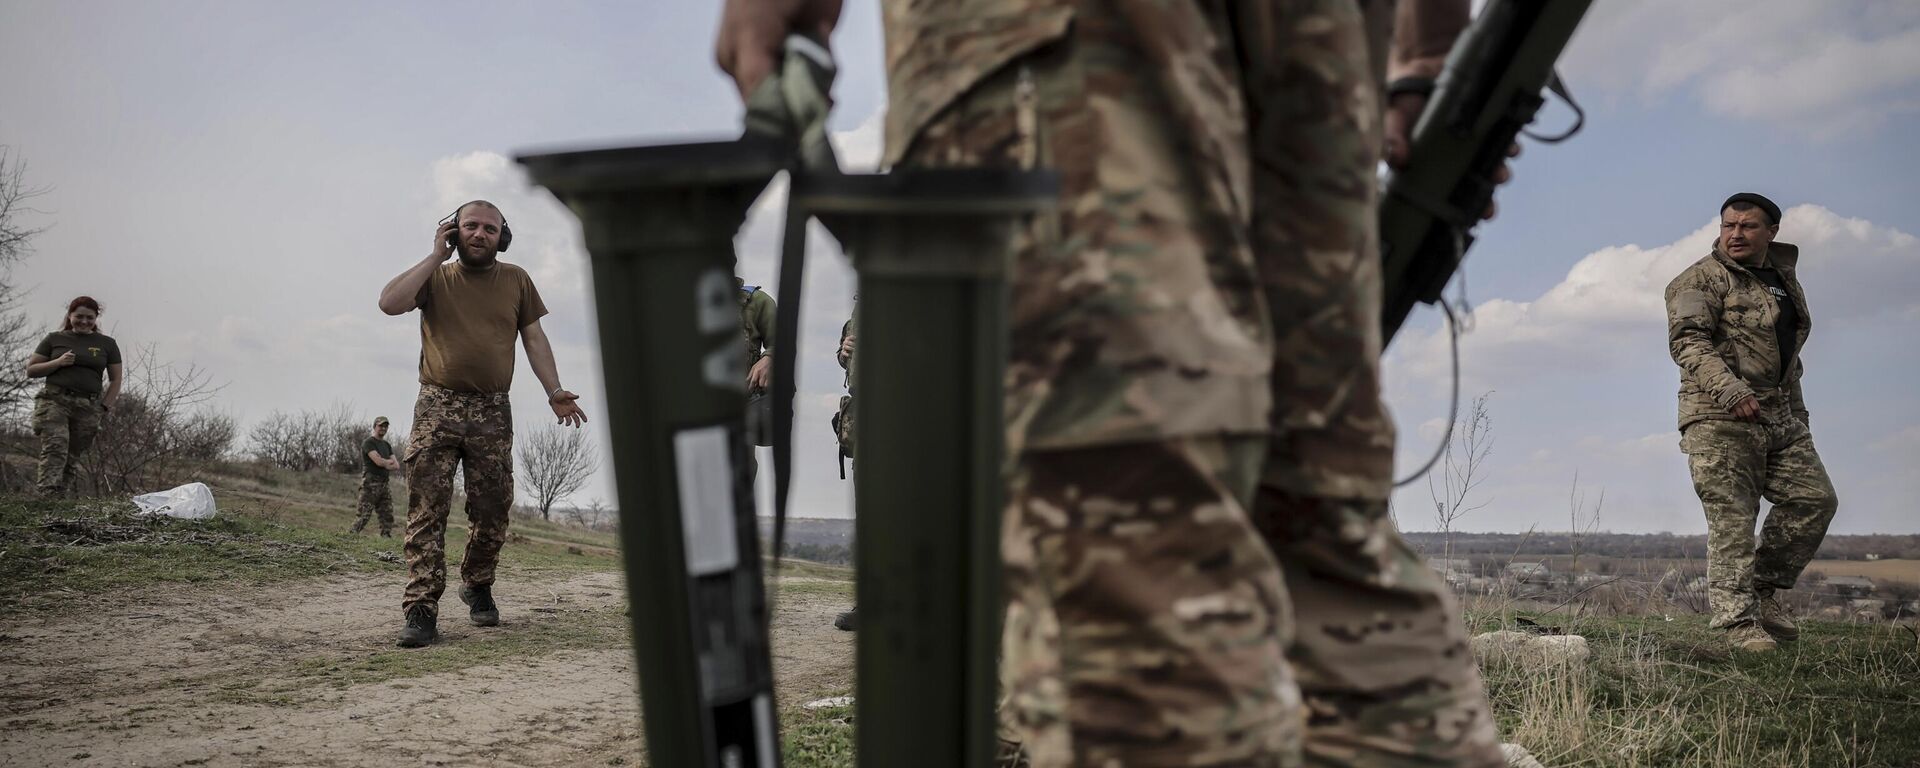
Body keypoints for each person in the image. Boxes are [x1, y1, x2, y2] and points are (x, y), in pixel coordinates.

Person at [716, 1, 1512, 765]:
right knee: (1316, 531)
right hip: (1321, 38)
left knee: (1118, 543)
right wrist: (1431, 45)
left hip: (1059, 34)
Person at [378, 200, 589, 648]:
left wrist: (554, 391)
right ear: (453, 230)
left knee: (493, 508)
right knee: (426, 510)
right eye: (470, 226)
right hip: (437, 406)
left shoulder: (516, 280)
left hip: (493, 410)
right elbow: (389, 304)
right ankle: (421, 608)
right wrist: (435, 255)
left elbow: (534, 338)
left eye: (490, 229)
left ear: (502, 237)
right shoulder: (435, 277)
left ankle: (477, 583)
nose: (479, 234)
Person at [1664, 192, 1837, 653]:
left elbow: (1789, 360)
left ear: (1771, 232)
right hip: (1718, 416)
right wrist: (1731, 391)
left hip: (1780, 417)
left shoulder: (1783, 280)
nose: (1736, 234)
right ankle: (1737, 624)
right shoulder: (1700, 279)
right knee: (1733, 521)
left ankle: (1761, 591)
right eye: (1728, 225)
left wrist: (1798, 417)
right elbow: (1688, 342)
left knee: (1814, 499)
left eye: (1748, 226)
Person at [24, 296, 122, 497]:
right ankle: (47, 494)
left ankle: (60, 496)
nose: (84, 321)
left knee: (73, 453)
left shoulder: (107, 344)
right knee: (56, 445)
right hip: (54, 401)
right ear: (70, 316)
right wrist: (58, 362)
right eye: (79, 316)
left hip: (88, 406)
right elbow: (31, 370)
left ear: (96, 318)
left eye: (89, 318)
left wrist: (104, 406)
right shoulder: (55, 339)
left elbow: (116, 379)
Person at [351, 416, 402, 537]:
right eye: (381, 426)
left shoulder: (386, 445)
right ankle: (351, 535)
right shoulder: (369, 443)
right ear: (375, 427)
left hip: (384, 483)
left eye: (386, 426)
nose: (383, 428)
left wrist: (385, 462)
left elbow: (396, 465)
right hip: (370, 483)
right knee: (364, 514)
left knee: (387, 514)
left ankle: (386, 537)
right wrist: (387, 462)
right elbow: (378, 462)